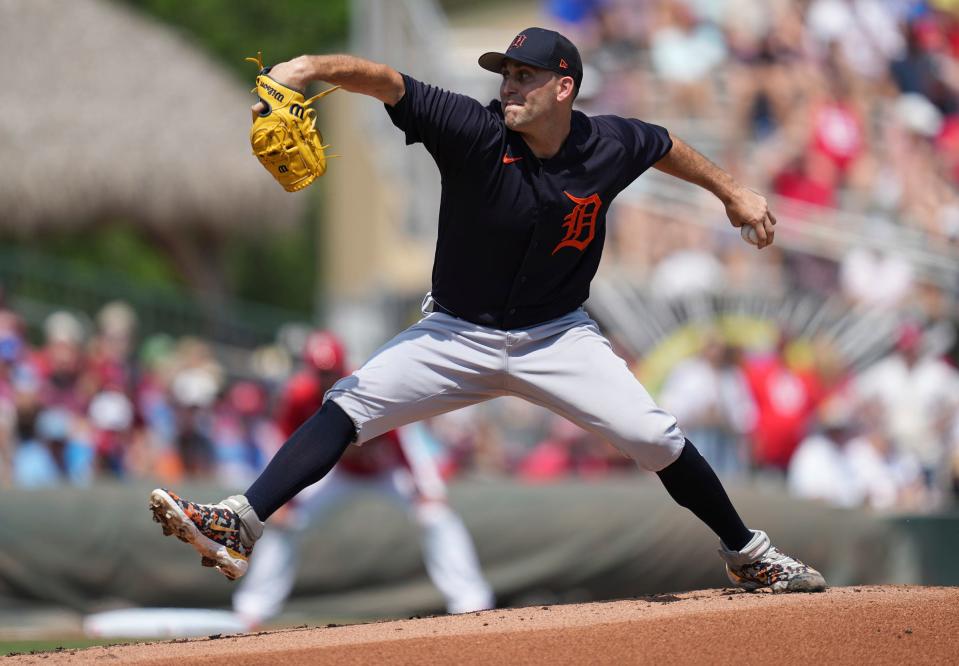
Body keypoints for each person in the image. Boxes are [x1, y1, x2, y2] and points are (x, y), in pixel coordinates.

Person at [150, 27, 825, 593]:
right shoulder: (472, 130)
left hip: (558, 337)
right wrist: (302, 69)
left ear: (563, 87)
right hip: (455, 333)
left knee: (655, 439)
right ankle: (238, 522)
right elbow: (385, 79)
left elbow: (662, 143)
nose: (508, 86)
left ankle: (750, 557)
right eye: (504, 74)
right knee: (348, 405)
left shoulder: (609, 143)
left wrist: (733, 191)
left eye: (524, 76)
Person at [231, 331, 493, 624]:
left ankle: (471, 601)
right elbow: (280, 443)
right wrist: (279, 498)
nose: (326, 378)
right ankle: (252, 609)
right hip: (337, 475)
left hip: (386, 472)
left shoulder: (363, 384)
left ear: (342, 366)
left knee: (436, 515)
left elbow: (406, 437)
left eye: (331, 372)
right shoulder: (299, 396)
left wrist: (427, 487)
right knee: (285, 524)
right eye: (321, 373)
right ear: (310, 371)